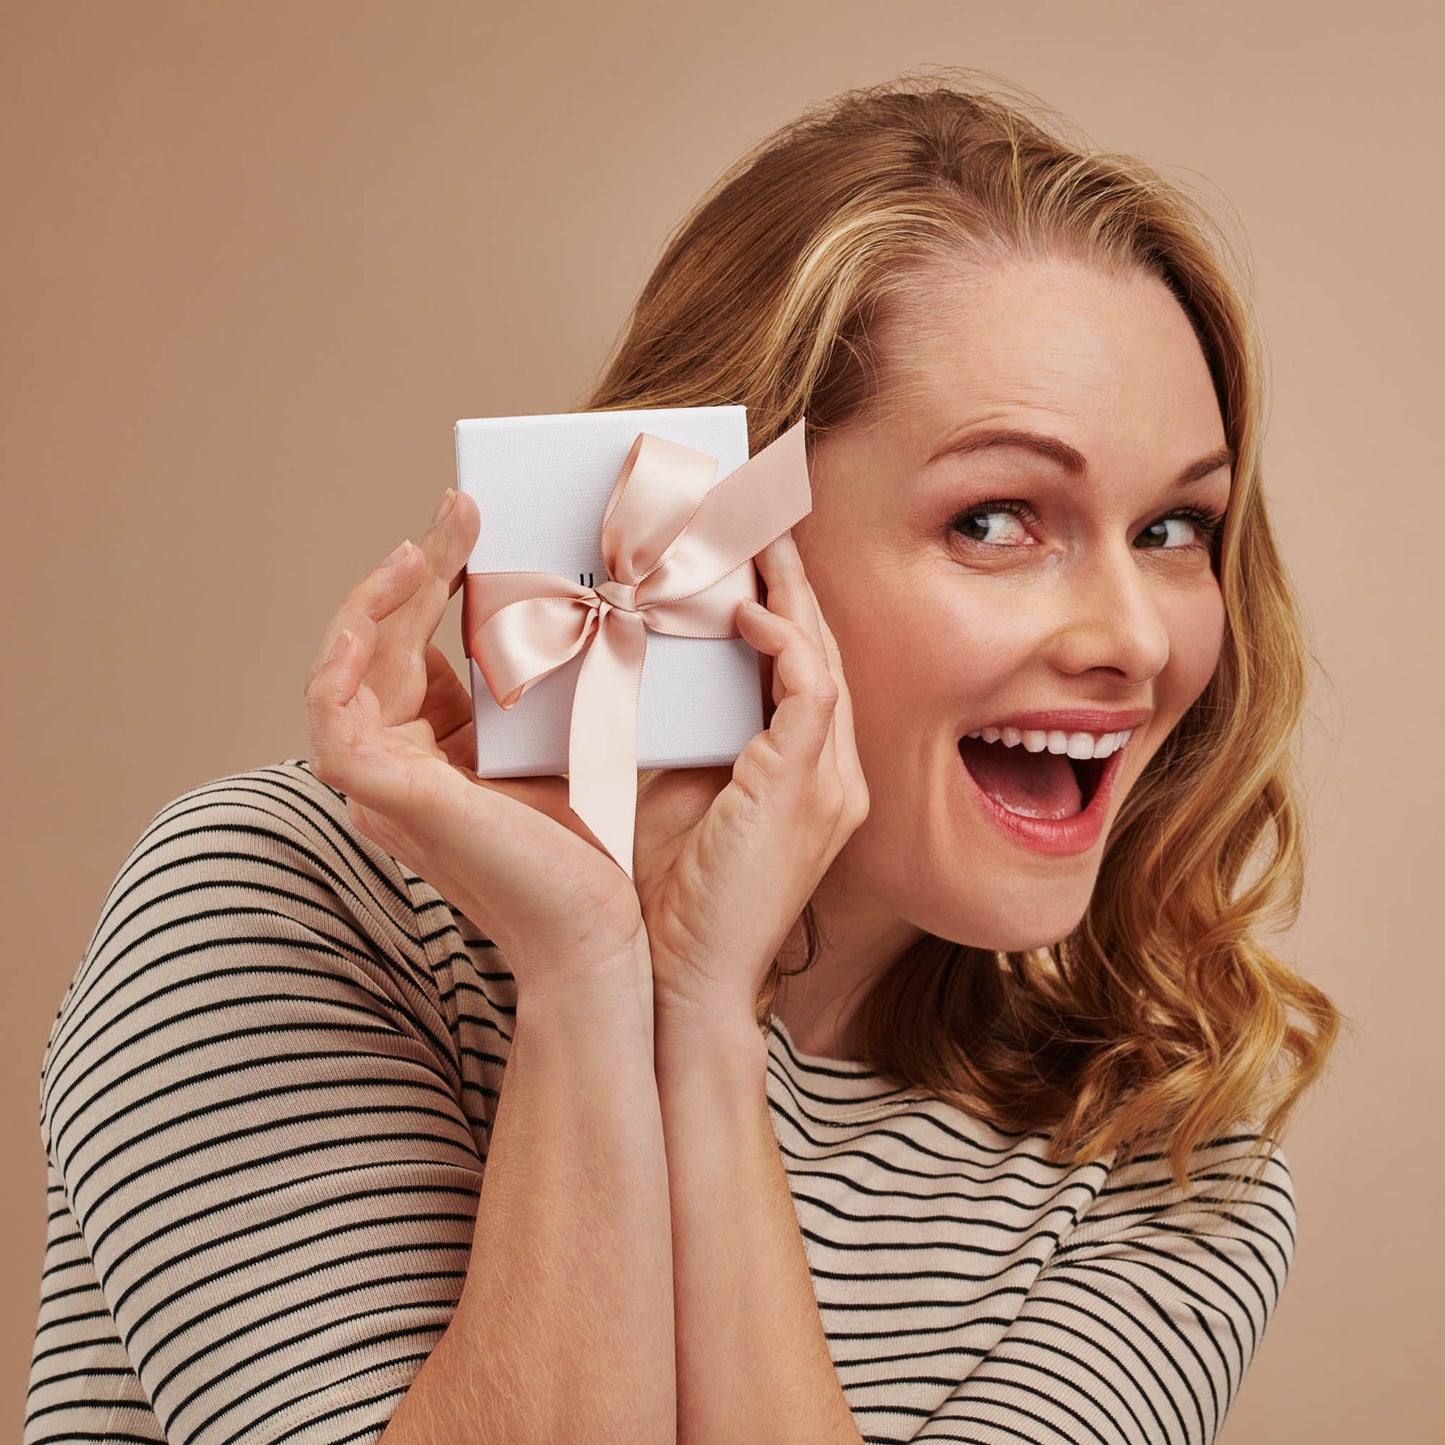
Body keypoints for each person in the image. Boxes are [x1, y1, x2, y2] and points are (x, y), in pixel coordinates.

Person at [26, 75, 1339, 1445]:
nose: (1133, 639)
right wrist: (587, 979)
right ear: (709, 545)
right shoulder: (276, 906)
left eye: (1175, 530)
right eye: (999, 518)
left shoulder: (1166, 1161)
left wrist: (700, 1020)